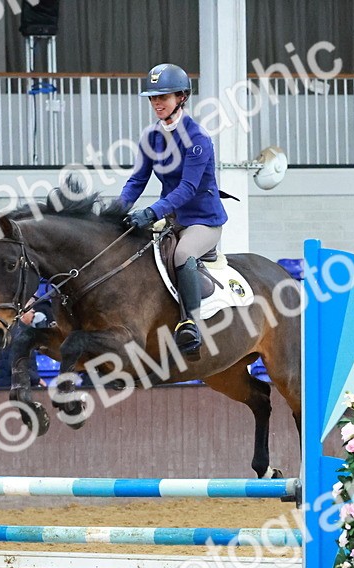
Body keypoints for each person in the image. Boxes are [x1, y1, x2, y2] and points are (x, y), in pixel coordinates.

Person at [118, 63, 228, 361]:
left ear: (181, 97)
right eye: (153, 98)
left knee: (182, 254)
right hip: (171, 219)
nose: (157, 103)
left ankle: (191, 324)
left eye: (163, 97)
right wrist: (116, 212)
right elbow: (137, 181)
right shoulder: (151, 137)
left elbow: (187, 188)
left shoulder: (198, 139)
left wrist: (152, 212)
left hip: (202, 221)